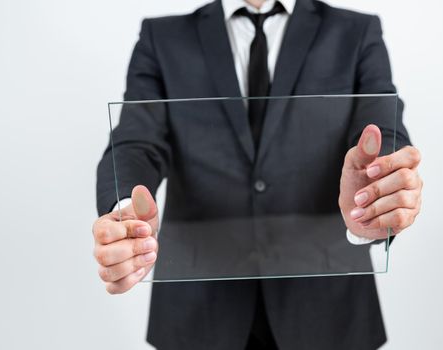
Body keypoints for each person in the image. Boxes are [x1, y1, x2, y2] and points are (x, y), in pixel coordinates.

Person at [93, 0, 423, 349]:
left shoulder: (356, 32)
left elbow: (382, 128)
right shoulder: (163, 38)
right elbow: (134, 141)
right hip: (199, 310)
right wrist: (127, 212)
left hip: (326, 308)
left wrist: (376, 188)